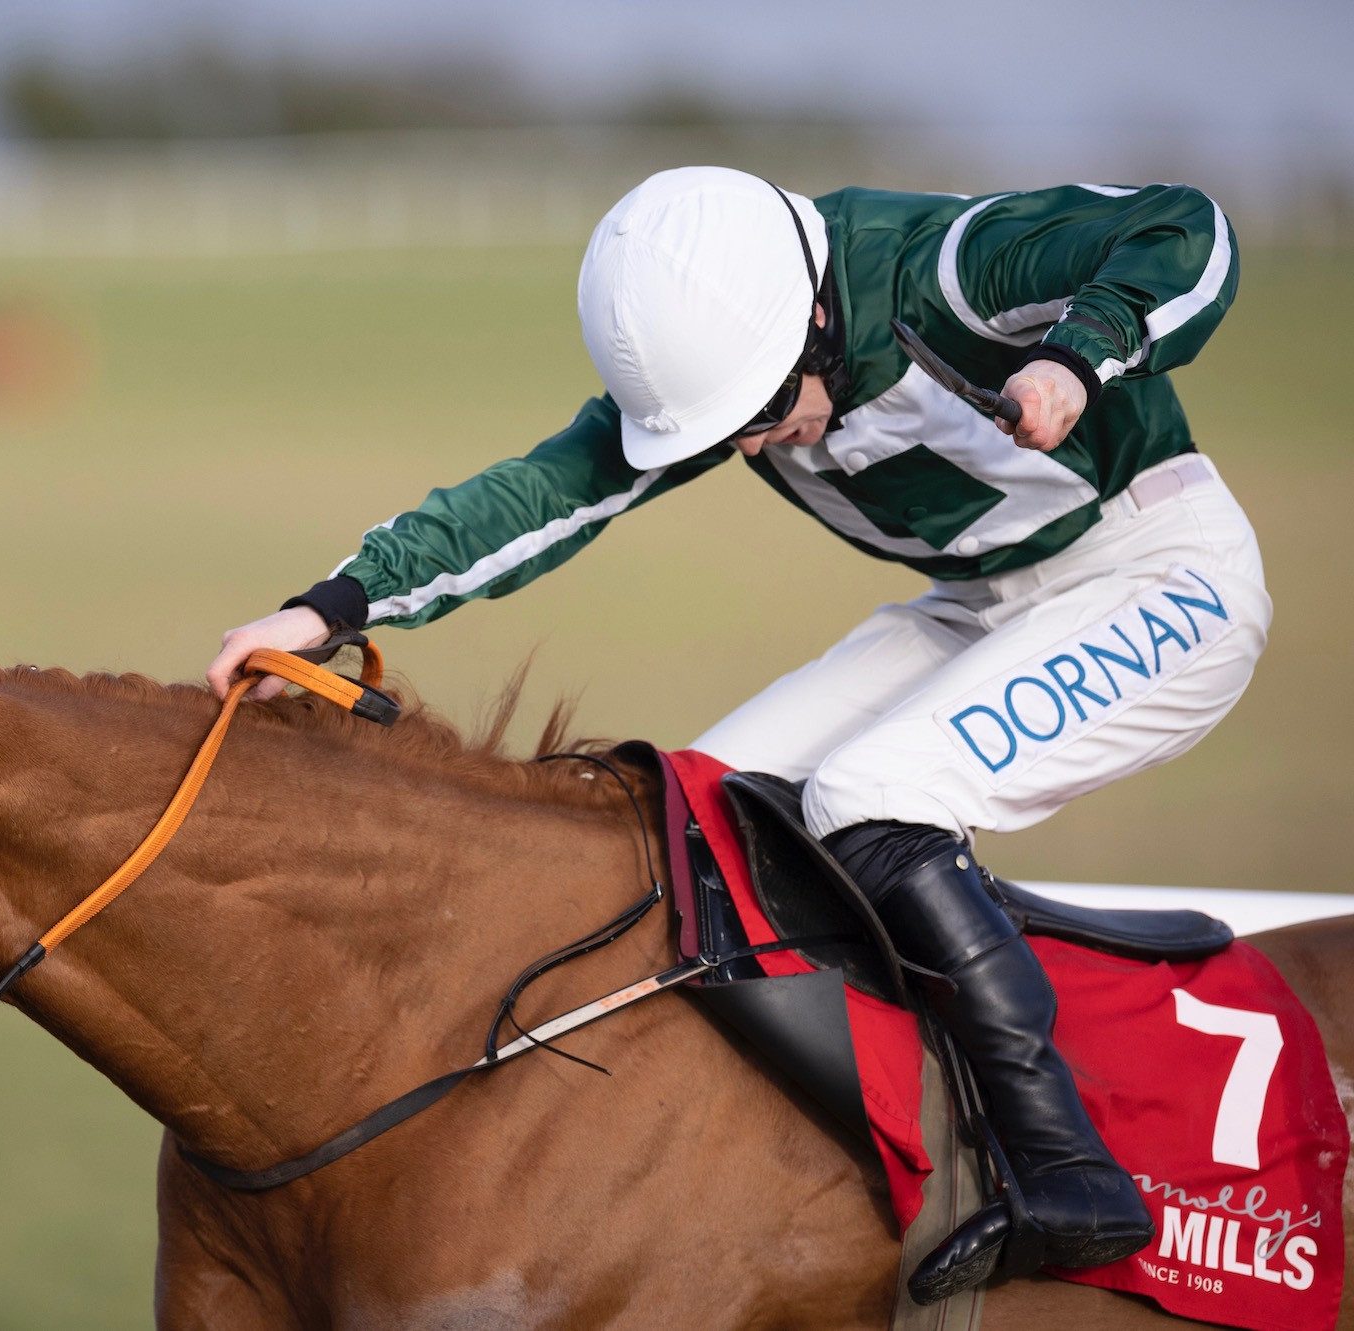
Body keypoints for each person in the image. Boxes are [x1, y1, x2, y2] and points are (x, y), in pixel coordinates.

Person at [205, 167, 1265, 1301]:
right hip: (980, 604)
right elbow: (536, 496)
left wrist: (1076, 349)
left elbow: (1185, 226)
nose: (754, 447)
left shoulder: (943, 270)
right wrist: (333, 604)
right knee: (697, 805)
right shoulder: (747, 338)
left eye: (761, 413)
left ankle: (1068, 1171)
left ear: (815, 313)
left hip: (1161, 574)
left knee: (872, 794)